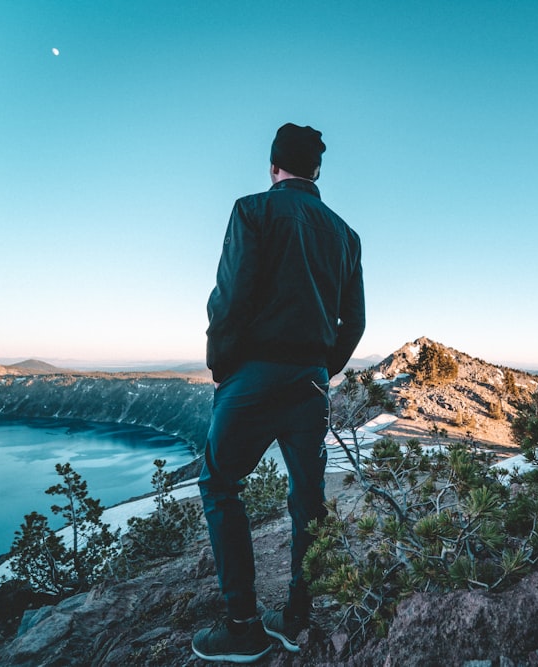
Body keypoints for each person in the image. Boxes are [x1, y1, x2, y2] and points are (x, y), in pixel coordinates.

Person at [192, 123, 366, 663]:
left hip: (253, 374)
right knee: (307, 499)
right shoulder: (345, 233)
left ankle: (242, 624)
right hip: (309, 380)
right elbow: (353, 322)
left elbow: (229, 298)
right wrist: (321, 370)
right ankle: (297, 618)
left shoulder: (252, 211)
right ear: (316, 171)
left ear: (274, 168)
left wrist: (222, 366)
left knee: (220, 484)